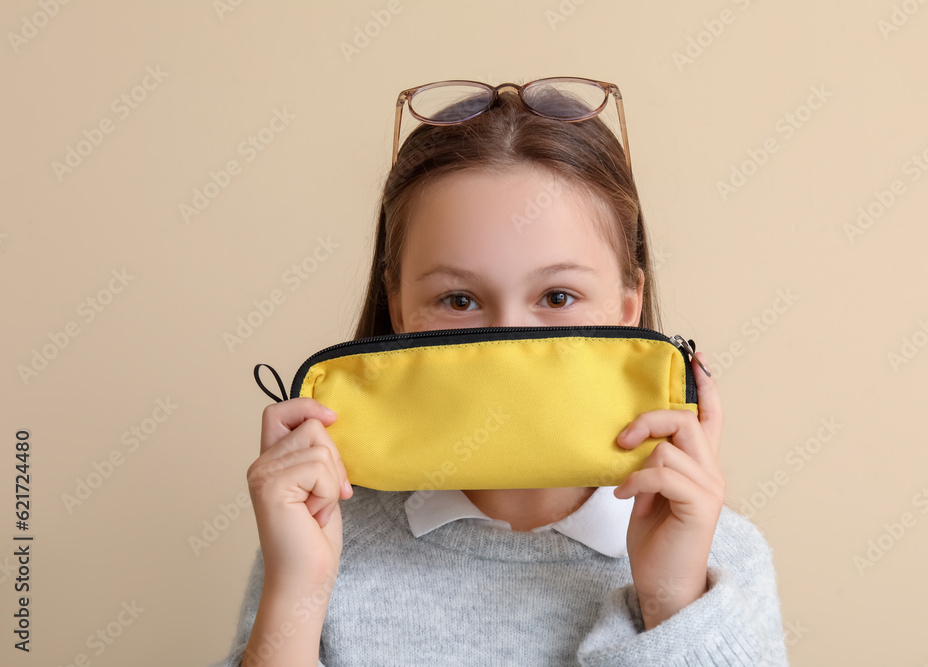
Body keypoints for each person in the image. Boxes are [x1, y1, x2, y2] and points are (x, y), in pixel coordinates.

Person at [213, 77, 789, 666]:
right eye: (459, 299)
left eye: (558, 296)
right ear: (398, 310)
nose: (511, 342)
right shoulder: (320, 536)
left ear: (626, 309)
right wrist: (298, 594)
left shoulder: (723, 556)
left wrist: (670, 598)